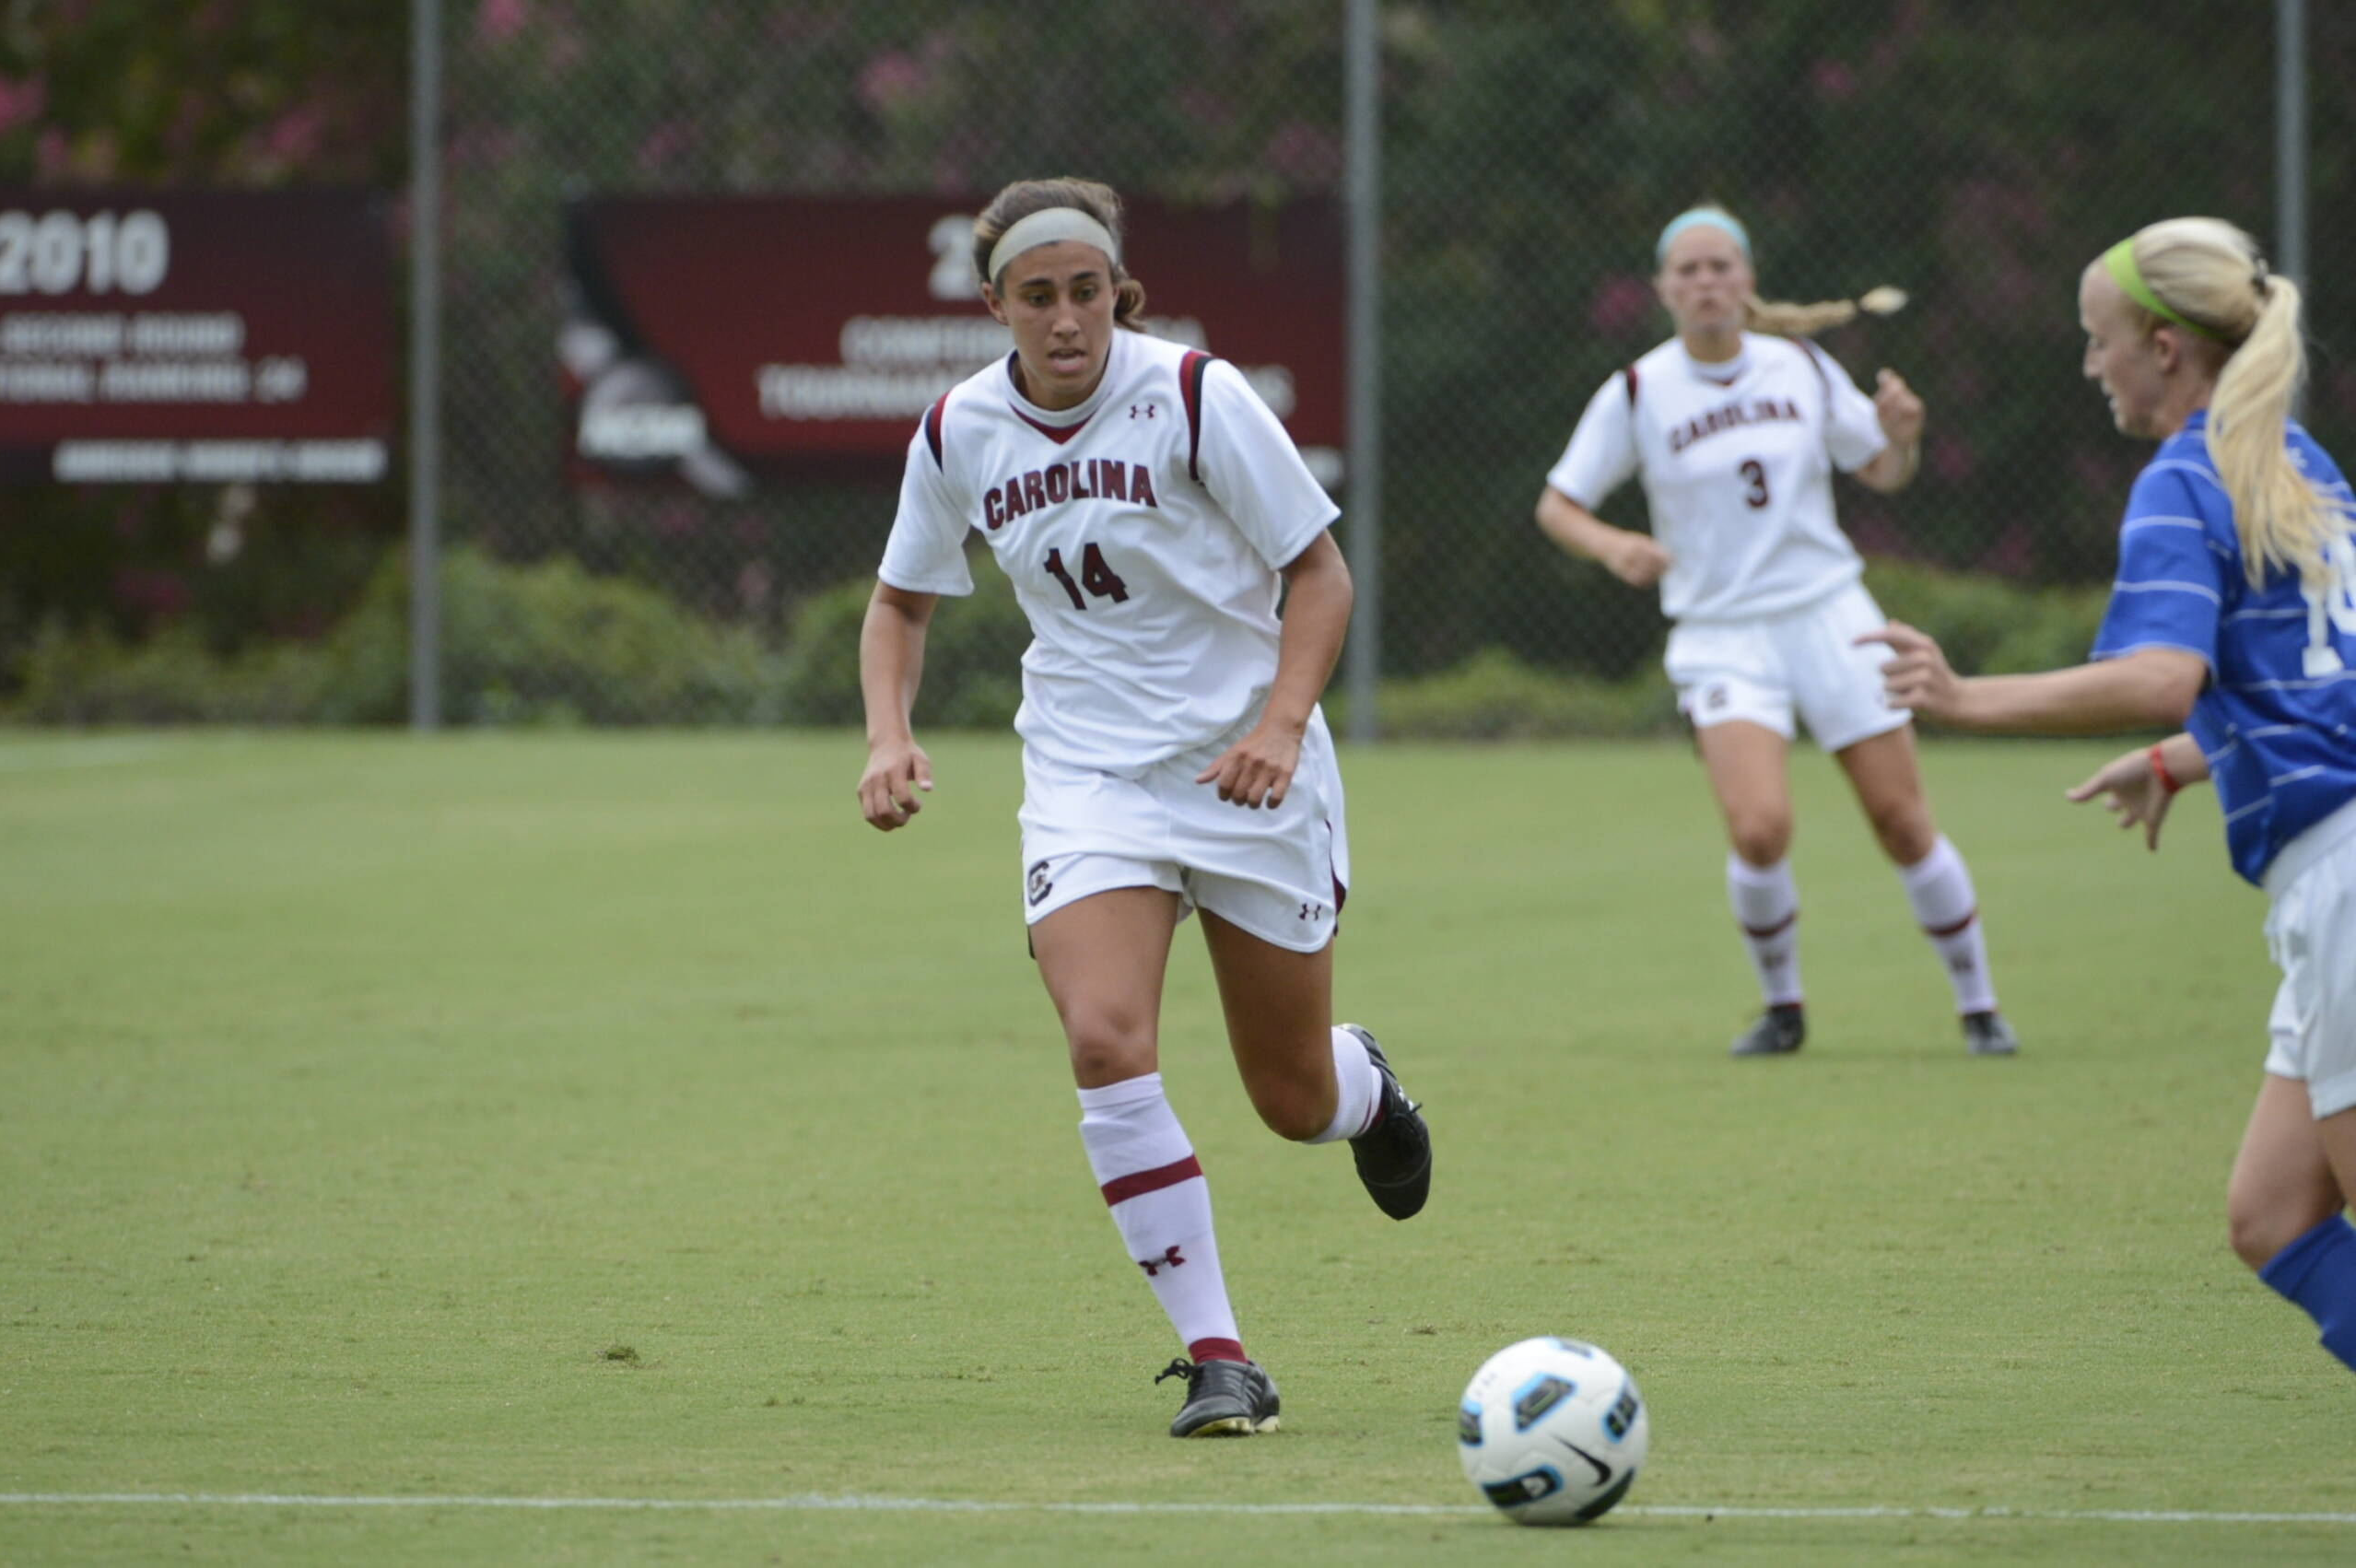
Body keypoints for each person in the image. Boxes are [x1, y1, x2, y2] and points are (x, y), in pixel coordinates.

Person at [856, 176, 1432, 1436]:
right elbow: (902, 601)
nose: (1065, 320)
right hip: (1089, 780)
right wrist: (888, 733)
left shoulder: (1193, 394)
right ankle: (1221, 1356)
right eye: (1036, 296)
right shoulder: (959, 429)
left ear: (1119, 293)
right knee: (1105, 1037)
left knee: (1289, 1096)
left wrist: (1280, 726)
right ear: (996, 302)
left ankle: (1366, 1093)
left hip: (1246, 769)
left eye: (1085, 293)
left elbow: (1319, 573)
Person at [1867, 216, 2356, 1374]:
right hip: (2329, 865)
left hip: (2342, 885)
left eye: (2098, 343)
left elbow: (2161, 674)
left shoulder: (2187, 477)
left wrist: (1964, 697)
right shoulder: (2298, 462)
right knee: (2273, 1214)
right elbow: (2308, 683)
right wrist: (2185, 759)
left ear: (2165, 346)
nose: (2091, 367)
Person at [1533, 205, 2018, 1058]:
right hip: (1721, 633)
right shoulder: (1640, 389)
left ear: (1749, 280)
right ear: (1663, 290)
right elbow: (1558, 504)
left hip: (1829, 613)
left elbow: (1882, 469)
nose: (1706, 282)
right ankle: (1782, 1009)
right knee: (1758, 828)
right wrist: (1614, 548)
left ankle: (1980, 1008)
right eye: (1688, 270)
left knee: (1902, 820)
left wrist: (1901, 438)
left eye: (1721, 266)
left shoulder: (1798, 364)